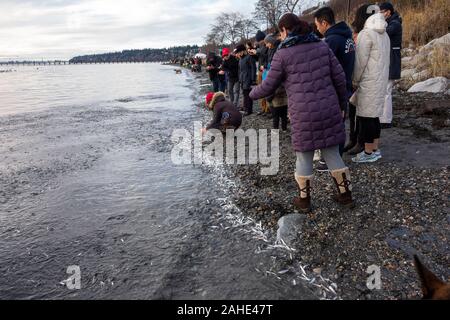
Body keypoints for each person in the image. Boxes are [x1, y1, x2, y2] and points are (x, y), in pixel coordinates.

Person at [250, 13, 354, 213]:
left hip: (303, 114)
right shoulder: (322, 45)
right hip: (329, 108)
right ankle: (345, 195)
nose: (280, 37)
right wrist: (342, 105)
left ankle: (304, 200)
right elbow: (340, 78)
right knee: (332, 152)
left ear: (285, 30)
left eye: (280, 33)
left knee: (304, 156)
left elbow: (269, 86)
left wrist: (252, 94)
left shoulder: (283, 54)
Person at [314, 6, 356, 171]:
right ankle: (334, 158)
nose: (317, 29)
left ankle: (331, 160)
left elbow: (324, 67)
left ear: (324, 23)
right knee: (339, 122)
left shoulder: (332, 41)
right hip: (345, 84)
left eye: (317, 25)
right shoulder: (347, 37)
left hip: (333, 87)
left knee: (332, 125)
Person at [350, 4, 390, 163]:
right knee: (374, 117)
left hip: (368, 81)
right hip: (380, 80)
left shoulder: (366, 34)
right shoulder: (384, 34)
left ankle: (367, 153)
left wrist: (354, 80)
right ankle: (375, 149)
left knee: (366, 117)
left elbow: (360, 62)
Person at [379, 2, 402, 128]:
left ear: (388, 12)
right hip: (389, 60)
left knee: (387, 90)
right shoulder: (393, 22)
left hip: (392, 60)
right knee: (385, 90)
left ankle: (386, 120)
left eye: (382, 12)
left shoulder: (395, 24)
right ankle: (383, 118)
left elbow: (384, 32)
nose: (381, 14)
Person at [264, 33, 288, 131]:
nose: (266, 45)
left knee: (277, 111)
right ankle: (284, 128)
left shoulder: (278, 49)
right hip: (274, 74)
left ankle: (277, 128)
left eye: (267, 43)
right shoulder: (271, 50)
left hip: (277, 76)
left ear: (271, 42)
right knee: (282, 110)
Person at [235, 44, 256, 116]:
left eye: (239, 52)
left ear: (243, 51)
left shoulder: (249, 57)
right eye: (238, 52)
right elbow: (239, 70)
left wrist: (253, 79)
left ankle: (249, 110)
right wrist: (239, 78)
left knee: (248, 95)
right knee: (244, 94)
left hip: (248, 78)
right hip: (242, 79)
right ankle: (245, 107)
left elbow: (253, 68)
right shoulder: (241, 59)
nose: (238, 54)